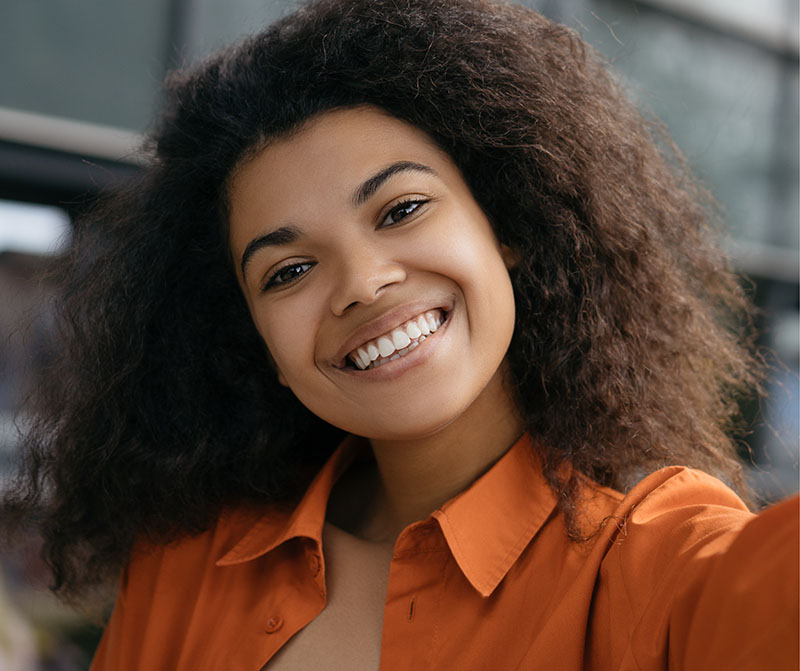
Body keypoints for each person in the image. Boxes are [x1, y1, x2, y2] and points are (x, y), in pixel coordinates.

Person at [3, 0, 797, 668]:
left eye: (401, 209)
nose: (361, 283)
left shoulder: (654, 564)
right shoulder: (186, 562)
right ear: (256, 343)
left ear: (507, 226)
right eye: (287, 271)